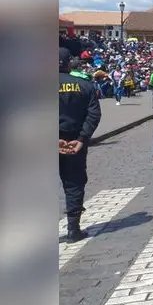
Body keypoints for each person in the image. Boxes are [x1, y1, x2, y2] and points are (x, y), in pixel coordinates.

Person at [59, 48, 102, 243]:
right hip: (75, 142)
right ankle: (73, 229)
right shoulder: (84, 85)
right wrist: (83, 138)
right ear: (69, 63)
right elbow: (94, 114)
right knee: (74, 183)